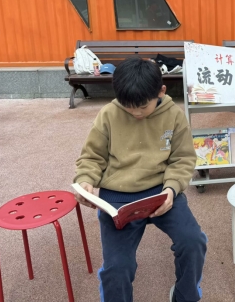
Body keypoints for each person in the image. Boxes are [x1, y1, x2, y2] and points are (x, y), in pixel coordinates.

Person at [73, 57, 207, 302]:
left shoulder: (174, 116)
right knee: (117, 267)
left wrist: (171, 190)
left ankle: (185, 295)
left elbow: (183, 159)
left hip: (161, 191)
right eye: (128, 107)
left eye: (143, 106)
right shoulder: (108, 114)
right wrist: (85, 181)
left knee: (193, 241)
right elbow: (92, 156)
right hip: (117, 197)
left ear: (161, 91)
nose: (135, 113)